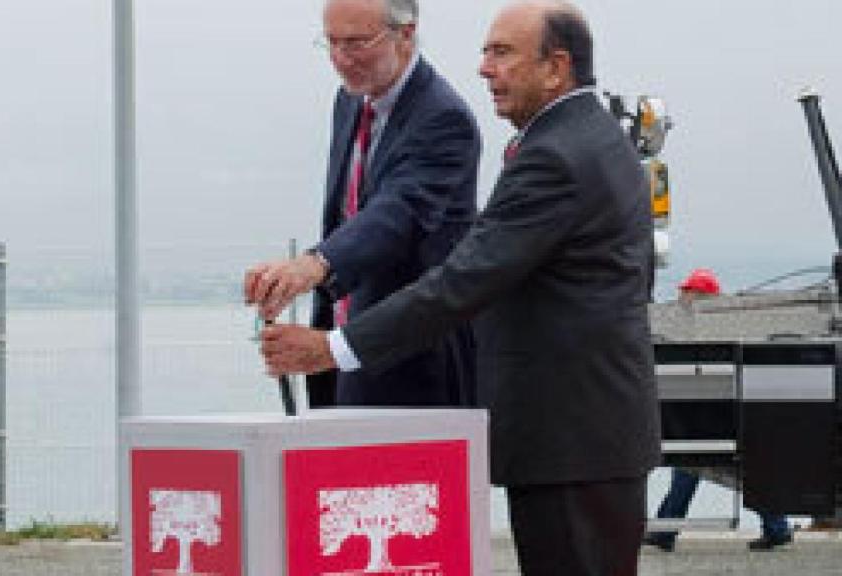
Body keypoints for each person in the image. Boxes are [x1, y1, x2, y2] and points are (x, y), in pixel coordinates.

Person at [256, 2, 661, 574]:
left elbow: (461, 280)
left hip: (572, 437)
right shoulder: (583, 136)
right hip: (584, 434)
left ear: (556, 66)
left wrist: (332, 348)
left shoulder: (556, 156)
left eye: (502, 53)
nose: (484, 69)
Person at [244, 0, 481, 408]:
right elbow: (346, 216)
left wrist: (315, 265)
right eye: (331, 43)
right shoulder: (350, 101)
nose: (340, 59)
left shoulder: (444, 118)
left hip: (412, 370)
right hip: (339, 359)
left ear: (405, 34)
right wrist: (295, 282)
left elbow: (395, 215)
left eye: (356, 44)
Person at [644, 269, 794, 552]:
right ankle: (776, 527)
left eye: (686, 291)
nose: (681, 296)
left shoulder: (694, 329)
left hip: (711, 419)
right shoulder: (727, 329)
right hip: (728, 416)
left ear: (700, 296)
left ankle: (666, 532)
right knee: (739, 473)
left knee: (692, 468)